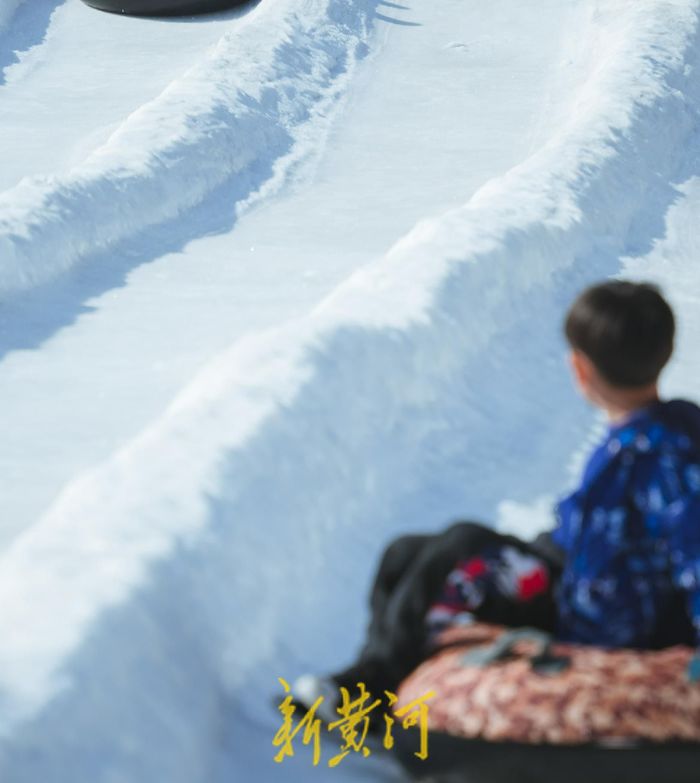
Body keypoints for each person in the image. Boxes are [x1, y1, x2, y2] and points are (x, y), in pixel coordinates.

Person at [294, 280, 700, 721]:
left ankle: (369, 689)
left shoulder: (668, 455)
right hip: (573, 582)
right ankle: (386, 679)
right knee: (405, 553)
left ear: (580, 370)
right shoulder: (643, 435)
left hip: (608, 625)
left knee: (463, 540)